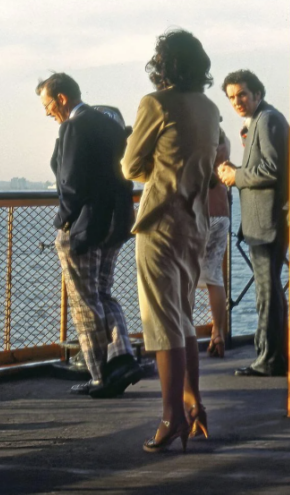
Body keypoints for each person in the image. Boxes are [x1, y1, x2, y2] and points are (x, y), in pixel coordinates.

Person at [122, 29, 220, 452]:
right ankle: (192, 402)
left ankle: (170, 418)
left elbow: (130, 166)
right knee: (182, 316)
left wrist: (154, 170)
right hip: (196, 222)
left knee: (161, 323)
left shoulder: (155, 104)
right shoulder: (211, 108)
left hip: (160, 222)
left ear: (163, 65)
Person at [38, 72, 142, 398]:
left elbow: (68, 181)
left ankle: (101, 375)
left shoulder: (72, 126)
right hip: (115, 223)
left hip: (84, 227)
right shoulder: (111, 125)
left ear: (62, 98)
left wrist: (63, 220)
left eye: (48, 104)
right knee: (104, 293)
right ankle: (122, 358)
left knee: (84, 302)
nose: (46, 112)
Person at [216, 69, 290, 377]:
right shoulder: (262, 120)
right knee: (267, 291)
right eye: (232, 97)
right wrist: (238, 170)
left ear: (257, 93)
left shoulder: (268, 119)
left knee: (267, 292)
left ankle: (269, 359)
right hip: (262, 221)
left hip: (266, 221)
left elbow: (272, 169)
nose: (237, 101)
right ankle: (270, 356)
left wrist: (236, 176)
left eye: (242, 94)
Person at [200, 123, 231, 358]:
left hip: (201, 212)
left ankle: (184, 334)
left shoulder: (200, 145)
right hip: (223, 213)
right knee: (214, 277)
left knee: (187, 275)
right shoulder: (224, 145)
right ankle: (218, 332)